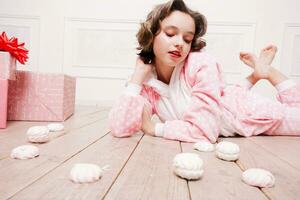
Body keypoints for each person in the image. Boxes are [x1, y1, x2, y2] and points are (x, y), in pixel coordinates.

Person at [108, 0, 300, 143]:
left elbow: (204, 132)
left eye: (187, 38)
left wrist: (155, 128)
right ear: (151, 35)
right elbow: (120, 127)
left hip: (247, 112)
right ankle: (259, 73)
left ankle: (268, 72)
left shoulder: (201, 63)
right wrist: (135, 81)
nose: (179, 43)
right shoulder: (147, 83)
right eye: (170, 34)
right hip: (225, 101)